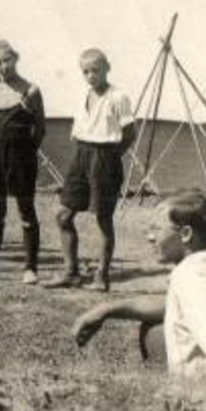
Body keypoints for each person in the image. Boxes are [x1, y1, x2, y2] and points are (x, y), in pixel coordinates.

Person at [73, 191, 206, 375]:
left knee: (155, 332)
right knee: (154, 331)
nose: (150, 237)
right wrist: (107, 309)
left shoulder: (190, 278)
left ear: (185, 234)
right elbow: (169, 304)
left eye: (157, 229)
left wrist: (195, 399)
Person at [46, 48, 135, 292]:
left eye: (95, 70)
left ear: (107, 67)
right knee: (63, 215)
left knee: (103, 219)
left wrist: (110, 157)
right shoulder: (83, 95)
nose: (90, 75)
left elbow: (130, 133)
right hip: (81, 155)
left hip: (104, 156)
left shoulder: (118, 97)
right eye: (85, 71)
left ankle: (101, 276)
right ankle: (71, 272)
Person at [0, 39, 45, 284]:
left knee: (26, 209)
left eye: (7, 61)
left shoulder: (31, 91)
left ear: (15, 59)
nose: (3, 67)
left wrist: (24, 151)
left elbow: (40, 129)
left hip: (21, 157)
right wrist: (0, 148)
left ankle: (30, 268)